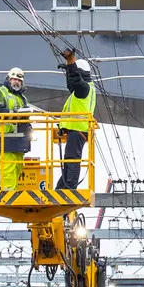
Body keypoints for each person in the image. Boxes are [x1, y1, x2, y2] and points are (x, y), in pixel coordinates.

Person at [56, 50, 96, 191]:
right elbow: (72, 83)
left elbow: (75, 80)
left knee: (72, 159)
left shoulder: (84, 88)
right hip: (77, 130)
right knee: (69, 159)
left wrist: (71, 63)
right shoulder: (83, 90)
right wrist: (69, 68)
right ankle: (62, 186)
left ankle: (69, 187)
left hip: (78, 129)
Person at [0, 66, 31, 188]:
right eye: (14, 79)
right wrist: (14, 114)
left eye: (19, 80)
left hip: (20, 138)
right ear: (9, 79)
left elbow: (25, 115)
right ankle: (8, 195)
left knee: (18, 167)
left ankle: (13, 192)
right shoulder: (0, 92)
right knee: (8, 168)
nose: (17, 82)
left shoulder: (22, 98)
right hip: (5, 136)